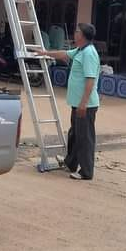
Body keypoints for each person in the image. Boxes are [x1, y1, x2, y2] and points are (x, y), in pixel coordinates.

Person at [35, 23, 100, 181]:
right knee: (75, 134)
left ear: (83, 35)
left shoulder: (89, 54)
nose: (74, 33)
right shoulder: (79, 50)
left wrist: (83, 103)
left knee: (84, 137)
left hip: (86, 105)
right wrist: (45, 53)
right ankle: (70, 163)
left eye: (77, 31)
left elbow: (90, 80)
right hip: (77, 103)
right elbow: (63, 54)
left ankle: (86, 172)